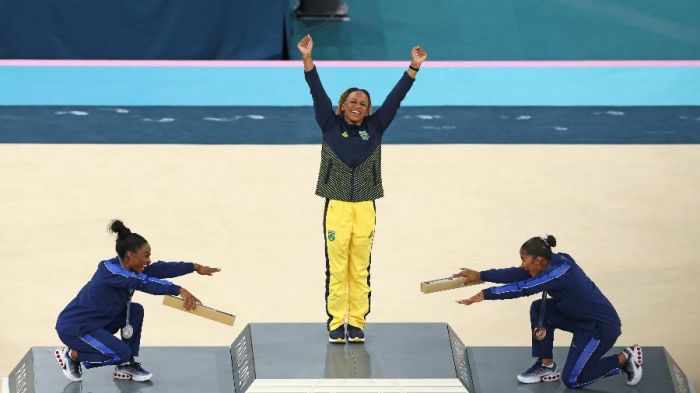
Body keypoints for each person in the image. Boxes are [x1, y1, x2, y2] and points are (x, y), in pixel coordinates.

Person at [297, 34, 427, 344]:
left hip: (366, 207)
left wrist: (413, 67)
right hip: (338, 208)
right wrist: (307, 59)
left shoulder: (376, 127)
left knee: (360, 267)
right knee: (337, 266)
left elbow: (395, 99)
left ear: (368, 111)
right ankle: (335, 321)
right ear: (341, 106)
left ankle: (356, 322)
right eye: (352, 101)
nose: (357, 106)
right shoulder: (329, 124)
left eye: (363, 104)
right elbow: (316, 92)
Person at [455, 235, 643, 389]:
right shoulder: (545, 264)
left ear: (538, 259)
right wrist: (480, 275)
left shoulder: (560, 271)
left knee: (573, 380)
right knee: (539, 308)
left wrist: (485, 294)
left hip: (599, 328)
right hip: (577, 317)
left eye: (523, 259)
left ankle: (625, 358)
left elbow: (523, 288)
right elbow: (516, 274)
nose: (522, 265)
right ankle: (546, 365)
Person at [54, 219, 220, 382]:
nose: (148, 260)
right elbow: (143, 283)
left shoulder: (133, 267)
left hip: (98, 323)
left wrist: (195, 267)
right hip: (76, 327)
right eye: (146, 255)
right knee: (120, 353)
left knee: (135, 310)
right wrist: (179, 290)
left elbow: (161, 268)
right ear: (131, 255)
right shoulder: (110, 270)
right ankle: (72, 355)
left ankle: (125, 365)